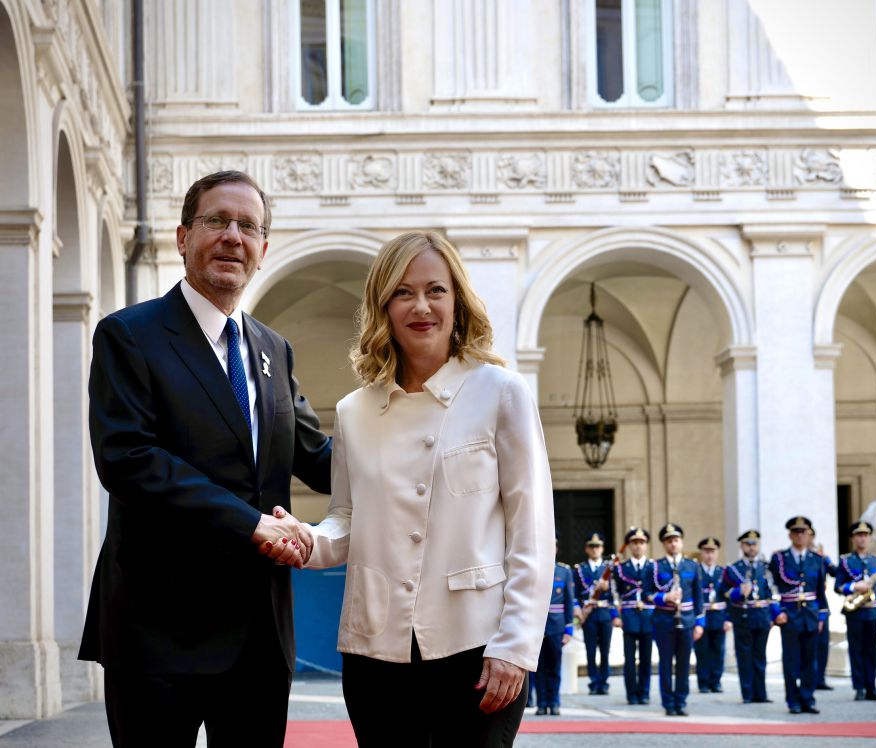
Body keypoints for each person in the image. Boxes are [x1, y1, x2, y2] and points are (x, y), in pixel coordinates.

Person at [80, 170, 332, 748]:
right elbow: (128, 459)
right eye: (216, 221)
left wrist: (414, 447)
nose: (231, 237)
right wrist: (251, 524)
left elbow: (315, 455)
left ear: (263, 250)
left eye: (248, 226)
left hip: (259, 635)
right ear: (182, 237)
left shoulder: (273, 349)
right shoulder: (129, 335)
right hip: (158, 627)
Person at [305, 231, 554, 745]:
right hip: (375, 646)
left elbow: (531, 531)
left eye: (435, 290)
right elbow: (346, 518)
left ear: (457, 301)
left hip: (479, 646)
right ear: (383, 306)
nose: (421, 306)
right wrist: (305, 541)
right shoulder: (354, 411)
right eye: (403, 292)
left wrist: (516, 645)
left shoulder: (501, 392)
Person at [768, 516, 828, 715]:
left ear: (809, 534)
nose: (800, 535)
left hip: (810, 614)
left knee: (811, 660)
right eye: (796, 532)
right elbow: (770, 586)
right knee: (791, 660)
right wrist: (776, 612)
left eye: (804, 532)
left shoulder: (817, 559)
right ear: (790, 535)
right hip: (789, 613)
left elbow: (820, 592)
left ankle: (808, 699)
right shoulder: (779, 559)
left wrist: (821, 617)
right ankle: (792, 700)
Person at [644, 523, 704, 716]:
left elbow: (698, 596)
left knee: (684, 663)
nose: (673, 544)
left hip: (686, 620)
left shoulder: (692, 565)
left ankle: (681, 701)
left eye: (676, 540)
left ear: (681, 542)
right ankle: (668, 703)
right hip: (664, 620)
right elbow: (646, 593)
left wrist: (699, 623)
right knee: (666, 662)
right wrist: (664, 598)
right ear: (664, 544)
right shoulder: (655, 566)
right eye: (669, 541)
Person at [834, 521, 876, 701]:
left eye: (865, 535)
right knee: (856, 650)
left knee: (871, 650)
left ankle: (871, 687)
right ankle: (859, 688)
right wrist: (854, 586)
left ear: (870, 538)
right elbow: (838, 586)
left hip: (873, 611)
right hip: (854, 611)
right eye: (859, 535)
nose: (862, 538)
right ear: (853, 538)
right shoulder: (846, 560)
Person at [721, 529, 775, 704]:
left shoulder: (765, 567)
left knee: (760, 656)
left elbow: (771, 592)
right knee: (744, 656)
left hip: (762, 615)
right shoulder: (733, 568)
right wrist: (738, 592)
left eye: (754, 544)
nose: (752, 547)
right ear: (741, 546)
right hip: (743, 616)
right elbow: (723, 592)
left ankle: (761, 693)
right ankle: (748, 693)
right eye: (748, 544)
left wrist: (773, 615)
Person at [535, 536, 578, 715]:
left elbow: (569, 601)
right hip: (536, 627)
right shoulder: (533, 569)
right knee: (538, 667)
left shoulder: (564, 571)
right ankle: (542, 703)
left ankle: (554, 702)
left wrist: (569, 629)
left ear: (556, 549)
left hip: (556, 626)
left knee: (554, 666)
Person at [612, 527, 654, 705]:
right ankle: (631, 693)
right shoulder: (621, 568)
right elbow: (614, 594)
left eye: (641, 543)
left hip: (648, 616)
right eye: (635, 543)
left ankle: (644, 692)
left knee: (646, 658)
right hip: (629, 616)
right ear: (629, 546)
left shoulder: (653, 567)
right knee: (629, 659)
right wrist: (616, 614)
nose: (638, 546)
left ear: (646, 546)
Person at [574, 532, 617, 695]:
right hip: (589, 614)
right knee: (590, 650)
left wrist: (608, 587)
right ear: (586, 549)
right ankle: (593, 681)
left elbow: (616, 594)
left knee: (605, 650)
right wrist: (578, 610)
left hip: (604, 612)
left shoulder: (608, 569)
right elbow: (576, 593)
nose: (595, 549)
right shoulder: (580, 569)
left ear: (602, 548)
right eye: (591, 546)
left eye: (597, 546)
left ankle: (604, 681)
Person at [695, 536, 729, 694]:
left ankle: (716, 681)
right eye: (706, 552)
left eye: (713, 552)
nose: (709, 555)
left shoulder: (723, 573)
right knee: (702, 651)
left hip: (719, 616)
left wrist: (728, 619)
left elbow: (729, 597)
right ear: (701, 553)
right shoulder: (696, 571)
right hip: (702, 616)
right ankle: (703, 682)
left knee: (718, 650)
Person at [810, 526, 838, 691]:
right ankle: (808, 677)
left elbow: (835, 572)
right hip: (805, 605)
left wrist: (827, 560)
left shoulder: (821, 558)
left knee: (822, 644)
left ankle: (820, 678)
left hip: (821, 605)